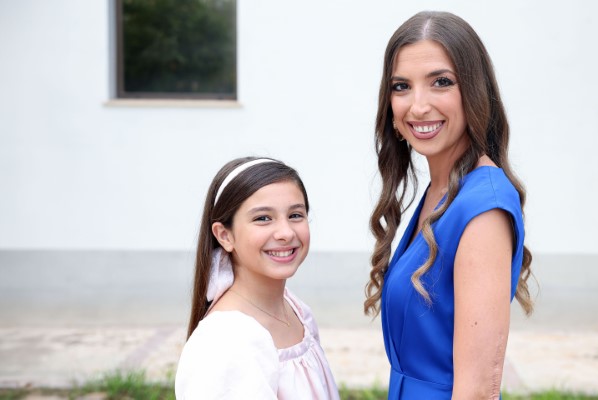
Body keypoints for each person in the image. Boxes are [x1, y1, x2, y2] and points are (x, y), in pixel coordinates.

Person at [364, 11, 534, 399]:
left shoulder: (483, 208)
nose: (418, 106)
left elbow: (478, 389)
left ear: (474, 91)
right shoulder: (441, 192)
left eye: (441, 82)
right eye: (402, 86)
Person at [175, 157, 339, 399]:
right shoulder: (226, 341)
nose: (286, 233)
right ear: (224, 235)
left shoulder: (297, 310)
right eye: (263, 218)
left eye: (295, 215)